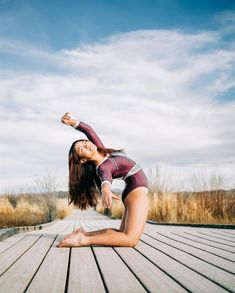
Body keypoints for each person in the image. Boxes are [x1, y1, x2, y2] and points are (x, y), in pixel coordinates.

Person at [57, 112, 149, 247]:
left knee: (122, 233)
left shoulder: (103, 152)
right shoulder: (102, 167)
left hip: (133, 191)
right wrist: (106, 189)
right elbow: (106, 177)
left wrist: (71, 122)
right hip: (136, 192)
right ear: (83, 160)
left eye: (84, 142)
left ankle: (83, 234)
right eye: (82, 149)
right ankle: (84, 240)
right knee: (130, 239)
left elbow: (89, 130)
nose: (86, 144)